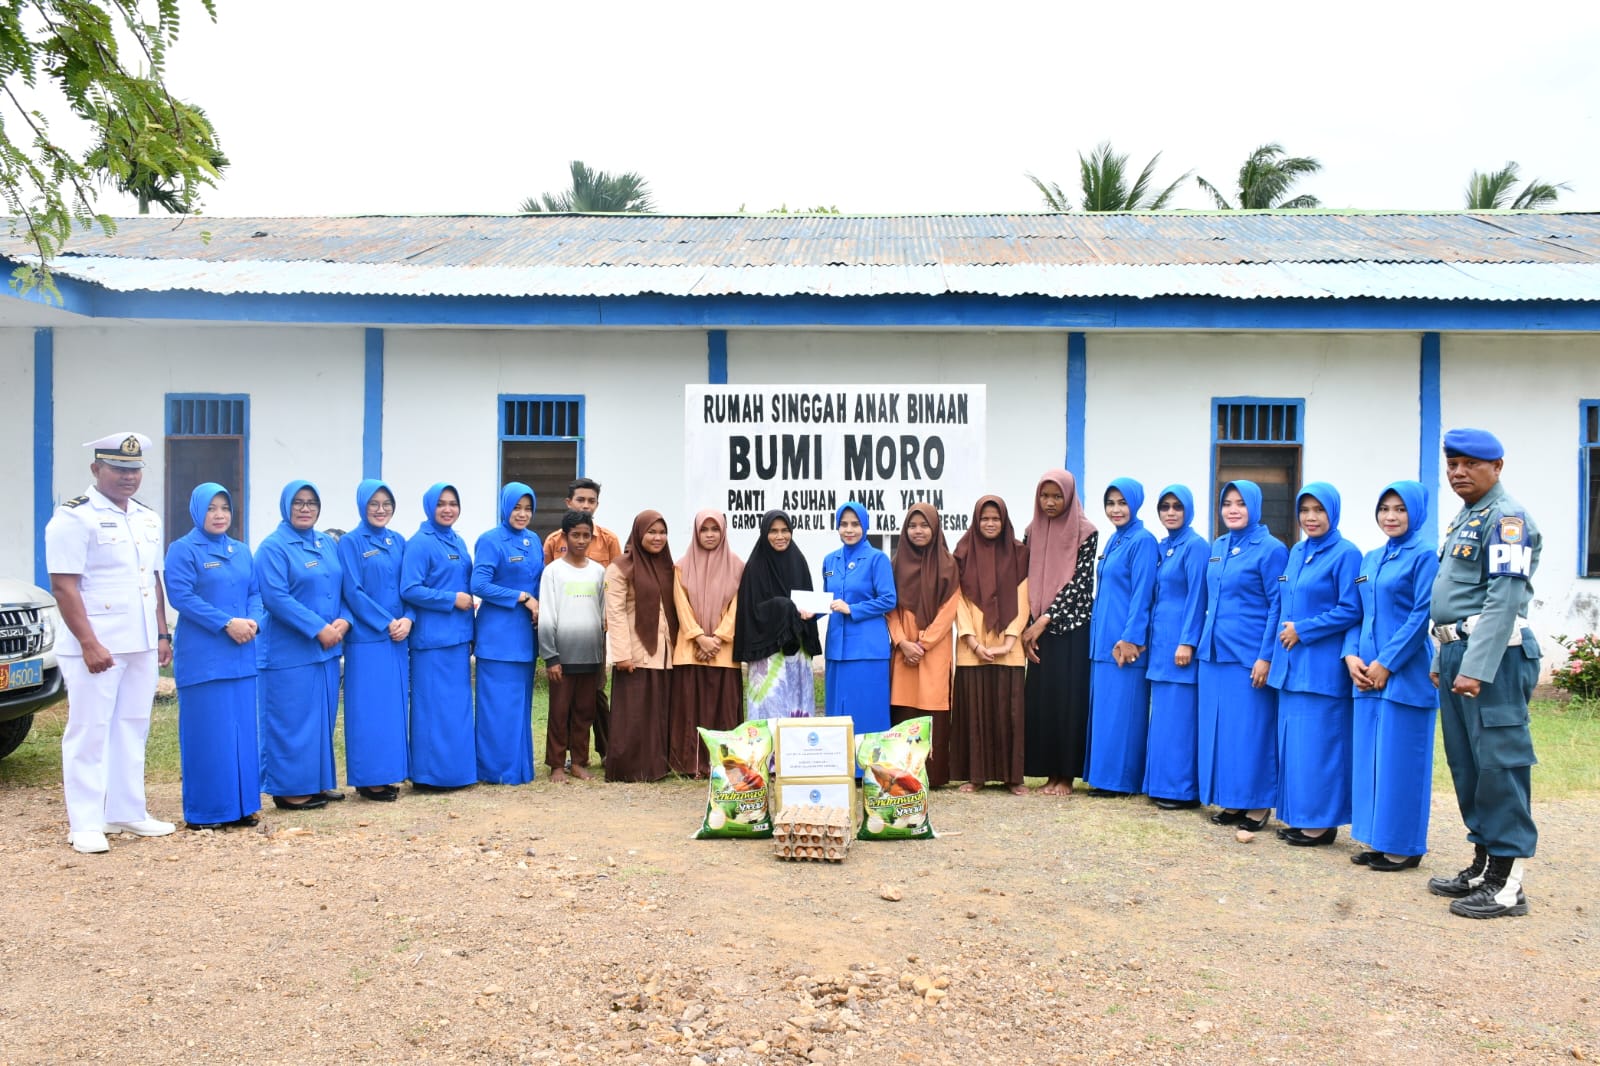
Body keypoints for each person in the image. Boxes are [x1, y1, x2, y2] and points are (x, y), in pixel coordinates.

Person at [1427, 429, 1541, 919]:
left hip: (1492, 659)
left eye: (1470, 463)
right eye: (1452, 463)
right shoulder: (1467, 517)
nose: (1458, 472)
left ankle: (1508, 882)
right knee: (1467, 766)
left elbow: (1503, 599)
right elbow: (1453, 594)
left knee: (1499, 764)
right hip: (1459, 651)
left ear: (1497, 466)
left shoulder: (1508, 519)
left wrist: (1474, 667)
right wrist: (1442, 657)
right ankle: (1484, 863)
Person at [46, 432, 175, 853]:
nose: (128, 477)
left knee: (132, 726)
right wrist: (88, 642)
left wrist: (160, 633)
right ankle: (85, 822)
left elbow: (151, 580)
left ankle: (125, 810)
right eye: (119, 468)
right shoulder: (73, 518)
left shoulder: (146, 517)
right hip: (96, 644)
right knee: (89, 729)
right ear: (96, 469)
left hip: (138, 642)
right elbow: (64, 586)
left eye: (135, 469)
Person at [1344, 480, 1439, 873]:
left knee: (1401, 760)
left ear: (1415, 513)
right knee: (1371, 759)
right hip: (1366, 673)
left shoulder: (1425, 556)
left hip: (1404, 674)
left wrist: (1387, 662)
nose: (1391, 516)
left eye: (1400, 509)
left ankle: (1403, 845)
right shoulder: (1370, 558)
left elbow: (1421, 615)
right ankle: (1377, 840)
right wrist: (1350, 655)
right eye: (1385, 509)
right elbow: (1358, 613)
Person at [1267, 483, 1362, 847]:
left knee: (1321, 748)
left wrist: (1304, 630)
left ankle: (1322, 824)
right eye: (1305, 510)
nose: (1311, 517)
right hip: (1291, 667)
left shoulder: (1346, 554)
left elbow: (1351, 608)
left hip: (1320, 667)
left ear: (1332, 513)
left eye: (1319, 511)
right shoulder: (1297, 552)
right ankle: (1301, 815)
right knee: (1296, 748)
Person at [163, 483, 262, 829]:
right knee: (209, 734)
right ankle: (207, 811)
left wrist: (253, 622)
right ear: (197, 511)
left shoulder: (241, 550)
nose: (219, 515)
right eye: (211, 508)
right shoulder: (183, 550)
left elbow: (256, 592)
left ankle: (243, 806)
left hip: (242, 655)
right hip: (205, 659)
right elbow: (181, 597)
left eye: (225, 508)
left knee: (242, 734)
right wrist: (226, 624)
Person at [1197, 480, 1288, 832]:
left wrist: (1266, 656)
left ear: (1255, 506)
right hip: (1215, 654)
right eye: (1227, 503)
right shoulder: (1219, 545)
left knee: (1252, 732)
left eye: (1241, 503)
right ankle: (1233, 799)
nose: (1233, 510)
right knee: (1224, 732)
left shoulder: (1271, 549)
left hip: (1248, 655)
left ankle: (1258, 803)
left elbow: (1276, 606)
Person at [255, 480, 349, 811]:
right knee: (290, 720)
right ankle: (288, 788)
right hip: (288, 651)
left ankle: (315, 782)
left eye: (311, 502)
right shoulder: (274, 547)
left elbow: (342, 587)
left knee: (319, 720)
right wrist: (317, 628)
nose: (305, 508)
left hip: (325, 649)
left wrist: (343, 620)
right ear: (286, 506)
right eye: (298, 502)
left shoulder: (326, 543)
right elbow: (276, 597)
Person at [1021, 470, 1097, 796]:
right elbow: (1024, 579)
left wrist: (1043, 620)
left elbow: (1080, 583)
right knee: (1043, 701)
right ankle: (1048, 774)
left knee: (1068, 701)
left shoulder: (1086, 531)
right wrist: (1027, 626)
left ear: (1069, 496)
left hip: (1070, 627)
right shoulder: (1031, 531)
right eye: (1044, 496)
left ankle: (1066, 776)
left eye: (1057, 496)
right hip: (1036, 628)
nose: (1050, 503)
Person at [337, 479, 412, 802]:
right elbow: (353, 591)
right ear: (362, 506)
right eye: (374, 504)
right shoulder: (351, 543)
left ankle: (391, 772)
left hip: (399, 638)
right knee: (368, 709)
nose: (381, 510)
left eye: (386, 504)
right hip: (368, 639)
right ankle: (369, 778)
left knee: (394, 709)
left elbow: (411, 585)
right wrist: (386, 622)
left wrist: (409, 618)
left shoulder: (399, 541)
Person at [1084, 478, 1159, 798]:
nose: (1116, 509)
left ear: (1136, 504)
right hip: (1103, 640)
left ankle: (1121, 780)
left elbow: (1143, 593)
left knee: (1123, 713)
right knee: (1106, 713)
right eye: (1111, 503)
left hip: (1123, 644)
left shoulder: (1142, 540)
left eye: (1122, 503)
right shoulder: (1115, 540)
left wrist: (1131, 638)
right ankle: (1104, 777)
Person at [950, 495, 1030, 794]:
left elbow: (1025, 599)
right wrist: (971, 640)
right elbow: (957, 598)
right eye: (985, 518)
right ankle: (976, 776)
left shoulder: (1020, 553)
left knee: (1009, 711)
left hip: (1009, 646)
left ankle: (1013, 777)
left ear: (1004, 520)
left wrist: (1010, 641)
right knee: (975, 710)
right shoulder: (963, 551)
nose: (990, 523)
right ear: (976, 520)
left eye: (996, 518)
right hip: (973, 647)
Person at [401, 482, 475, 791]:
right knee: (432, 710)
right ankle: (429, 776)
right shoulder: (420, 542)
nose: (447, 509)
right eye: (441, 503)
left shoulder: (457, 540)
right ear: (429, 506)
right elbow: (410, 588)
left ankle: (456, 772)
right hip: (431, 641)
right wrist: (450, 599)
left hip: (457, 639)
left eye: (453, 503)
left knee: (455, 710)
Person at [471, 483, 544, 785]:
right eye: (516, 507)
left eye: (527, 508)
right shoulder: (490, 540)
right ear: (505, 507)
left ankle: (518, 768)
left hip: (525, 636)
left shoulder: (533, 540)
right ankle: (493, 770)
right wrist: (523, 597)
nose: (522, 514)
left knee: (518, 706)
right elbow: (479, 585)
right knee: (496, 707)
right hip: (498, 637)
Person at [1143, 485, 1208, 810]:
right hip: (1159, 642)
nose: (1170, 512)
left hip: (1180, 646)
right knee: (1164, 717)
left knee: (1180, 720)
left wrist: (1188, 641)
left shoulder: (1195, 547)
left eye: (1177, 507)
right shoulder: (1163, 546)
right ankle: (1160, 783)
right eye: (1165, 507)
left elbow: (1198, 596)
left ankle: (1182, 790)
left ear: (1189, 511)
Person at [886, 503, 959, 787]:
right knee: (903, 703)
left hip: (934, 649)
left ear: (935, 528)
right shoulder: (895, 565)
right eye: (913, 526)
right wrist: (903, 642)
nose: (918, 531)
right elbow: (889, 609)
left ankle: (935, 773)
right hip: (904, 648)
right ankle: (904, 771)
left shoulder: (948, 564)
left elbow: (949, 609)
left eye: (924, 525)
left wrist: (923, 643)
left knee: (933, 701)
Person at [669, 509, 744, 776]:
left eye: (715, 529)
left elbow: (738, 607)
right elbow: (681, 605)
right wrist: (699, 637)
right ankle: (690, 763)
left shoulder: (738, 566)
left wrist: (719, 638)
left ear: (723, 532)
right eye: (704, 529)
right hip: (691, 649)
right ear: (696, 532)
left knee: (722, 710)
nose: (710, 535)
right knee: (690, 709)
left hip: (724, 651)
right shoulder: (681, 566)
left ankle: (724, 766)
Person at [604, 510, 678, 782]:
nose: (658, 538)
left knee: (659, 708)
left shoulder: (669, 566)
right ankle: (630, 768)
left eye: (662, 532)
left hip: (666, 648)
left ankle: (657, 766)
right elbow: (615, 613)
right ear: (638, 533)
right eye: (651, 532)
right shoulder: (620, 567)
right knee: (634, 710)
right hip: (636, 650)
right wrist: (622, 654)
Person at [539, 510, 608, 782]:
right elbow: (546, 616)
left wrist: (602, 658)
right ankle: (556, 764)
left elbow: (602, 617)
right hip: (562, 657)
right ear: (565, 537)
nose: (581, 540)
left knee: (584, 712)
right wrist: (551, 657)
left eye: (586, 535)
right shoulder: (553, 571)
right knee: (559, 712)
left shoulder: (599, 571)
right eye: (575, 535)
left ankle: (579, 761)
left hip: (590, 655)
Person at [732, 510, 821, 720]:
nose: (780, 536)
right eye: (773, 531)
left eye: (784, 530)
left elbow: (807, 600)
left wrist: (809, 614)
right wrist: (784, 607)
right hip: (768, 653)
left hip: (797, 653)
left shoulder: (798, 561)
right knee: (770, 709)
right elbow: (751, 611)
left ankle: (798, 753)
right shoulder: (755, 567)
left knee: (797, 707)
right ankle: (768, 753)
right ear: (764, 533)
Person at [822, 502, 897, 740]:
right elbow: (828, 598)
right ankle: (841, 768)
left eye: (855, 524)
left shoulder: (877, 559)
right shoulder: (829, 561)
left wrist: (852, 609)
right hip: (837, 649)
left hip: (867, 650)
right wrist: (810, 611)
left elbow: (888, 599)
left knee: (867, 711)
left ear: (864, 526)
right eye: (843, 524)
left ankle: (867, 769)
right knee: (838, 711)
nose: (849, 529)